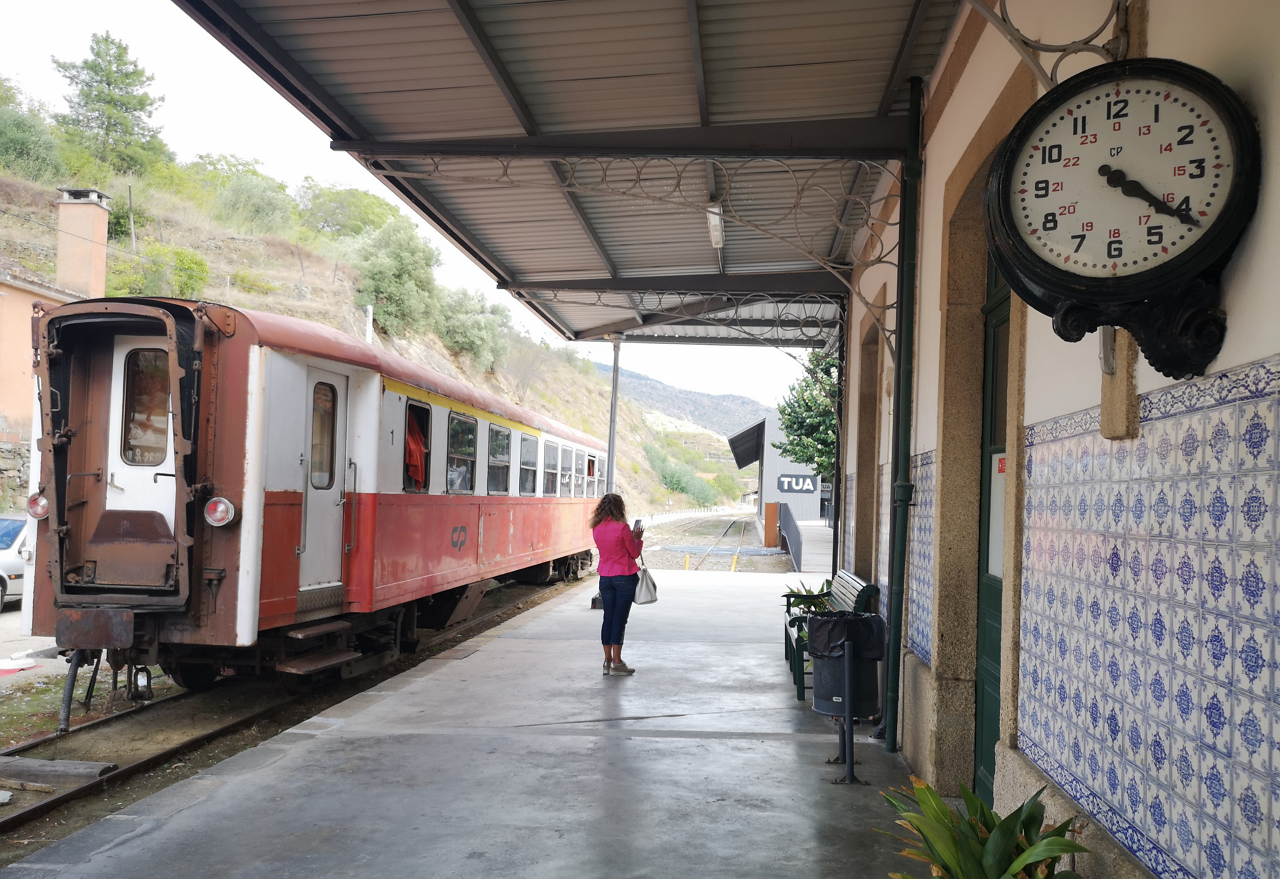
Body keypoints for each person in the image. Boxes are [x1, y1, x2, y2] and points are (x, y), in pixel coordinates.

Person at [590, 492, 643, 676]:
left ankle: (607, 661)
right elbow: (634, 554)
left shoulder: (596, 528)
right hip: (623, 577)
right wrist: (637, 538)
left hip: (605, 577)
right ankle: (618, 662)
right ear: (620, 508)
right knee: (620, 620)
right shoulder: (623, 528)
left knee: (608, 618)